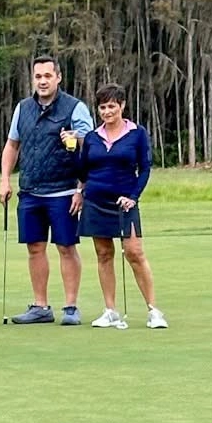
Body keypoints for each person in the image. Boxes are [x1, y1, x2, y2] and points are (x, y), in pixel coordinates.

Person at [62, 84, 167, 329]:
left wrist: (133, 196)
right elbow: (83, 172)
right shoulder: (92, 137)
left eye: (112, 106)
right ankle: (110, 311)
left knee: (134, 253)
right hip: (95, 201)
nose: (107, 112)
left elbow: (145, 168)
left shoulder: (137, 133)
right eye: (102, 107)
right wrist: (71, 150)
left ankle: (154, 311)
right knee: (104, 254)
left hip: (124, 203)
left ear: (122, 106)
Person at [0, 55, 92, 324]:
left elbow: (91, 147)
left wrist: (81, 188)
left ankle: (71, 307)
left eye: (47, 76)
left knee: (66, 247)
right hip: (30, 191)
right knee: (35, 247)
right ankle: (40, 306)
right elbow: (12, 145)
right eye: (38, 76)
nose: (42, 81)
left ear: (58, 78)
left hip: (64, 191)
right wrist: (5, 179)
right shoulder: (23, 108)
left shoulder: (75, 108)